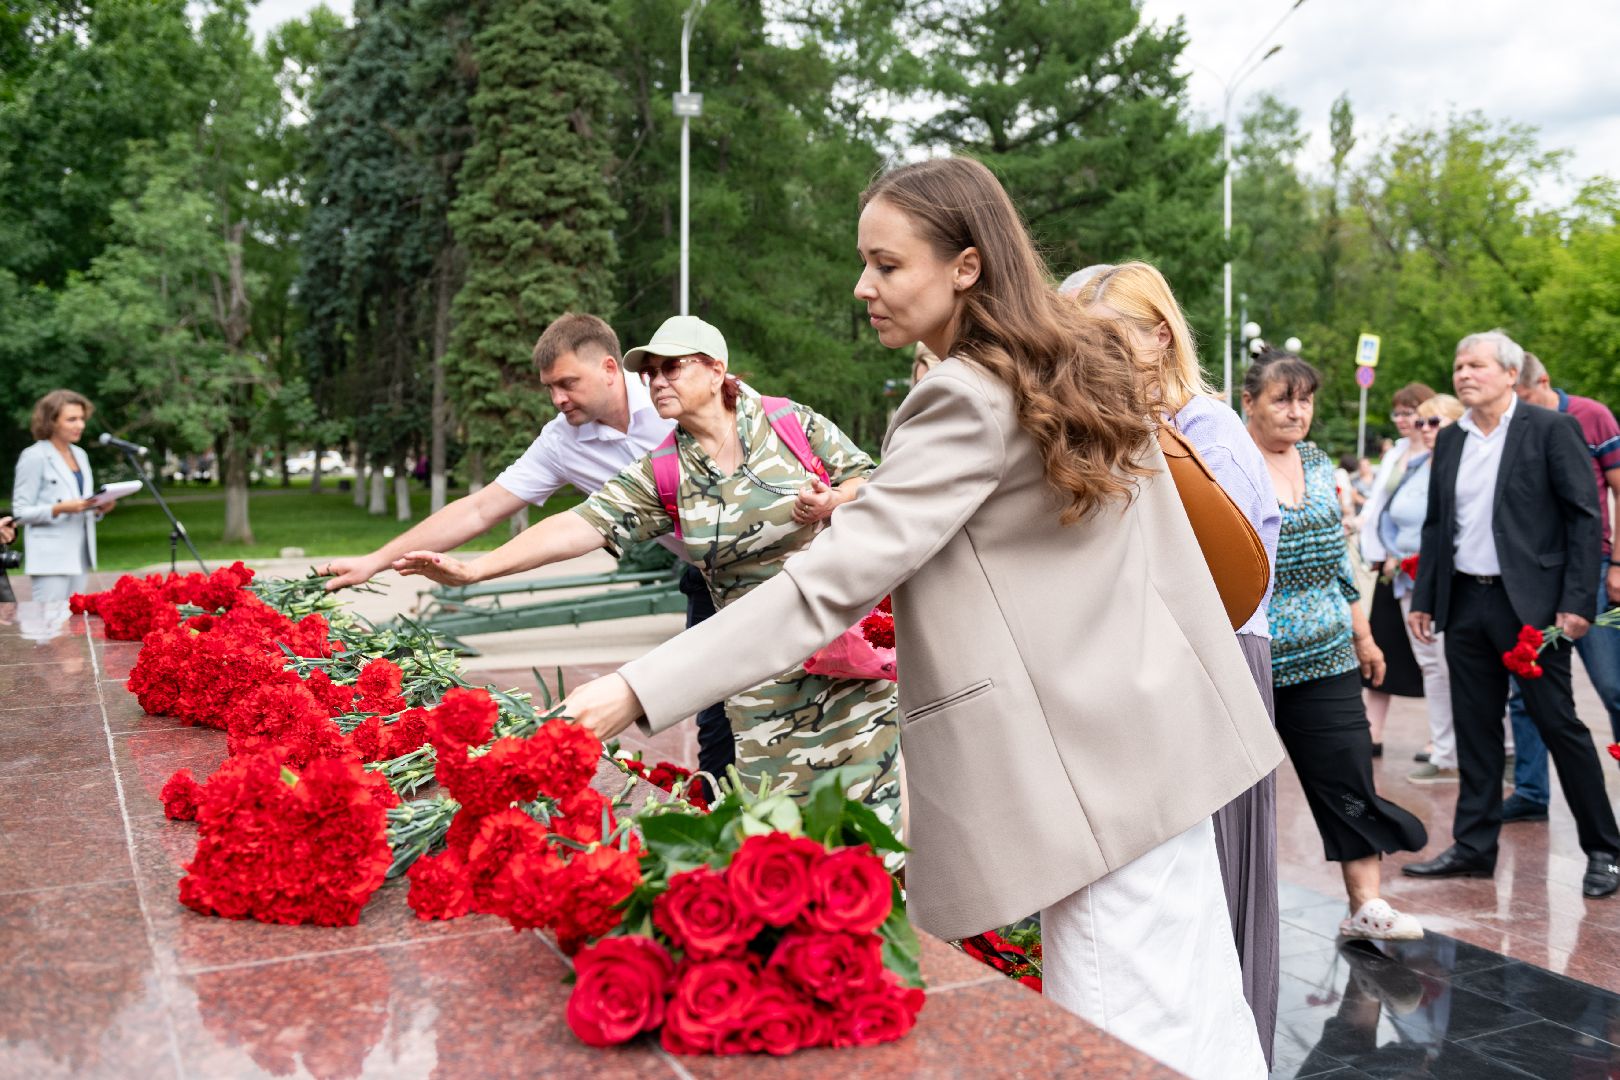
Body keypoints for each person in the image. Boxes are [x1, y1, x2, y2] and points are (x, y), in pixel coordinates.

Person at [559, 157, 1279, 1079]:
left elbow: (826, 588)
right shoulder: (1077, 365)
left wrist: (631, 690)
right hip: (1159, 748)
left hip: (1082, 779)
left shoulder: (964, 396)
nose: (864, 286)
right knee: (1200, 1022)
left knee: (1121, 1042)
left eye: (886, 264)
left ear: (967, 266)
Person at [395, 315, 902, 825]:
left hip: (842, 655)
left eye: (671, 368)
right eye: (650, 373)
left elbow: (875, 483)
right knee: (781, 828)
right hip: (758, 671)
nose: (657, 381)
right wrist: (477, 570)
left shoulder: (789, 422)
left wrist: (832, 500)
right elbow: (580, 524)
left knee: (875, 820)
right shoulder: (664, 470)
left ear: (714, 370)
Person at [321, 314, 739, 785]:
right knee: (718, 724)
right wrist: (375, 561)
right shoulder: (563, 442)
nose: (558, 399)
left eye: (567, 383)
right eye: (550, 388)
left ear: (608, 368)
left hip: (779, 564)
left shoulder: (679, 393)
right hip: (708, 579)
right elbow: (482, 510)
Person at [1062, 260, 1282, 1066]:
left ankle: (1234, 1047)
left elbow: (1208, 571)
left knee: (1221, 874)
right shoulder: (1130, 428)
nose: (1094, 358)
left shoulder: (1210, 433)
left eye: (1110, 339)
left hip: (1219, 655)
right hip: (1168, 659)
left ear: (1160, 336)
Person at [1405, 330, 1620, 897]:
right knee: (1477, 731)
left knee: (1559, 725)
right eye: (1457, 365)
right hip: (1467, 603)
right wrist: (1426, 596)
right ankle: (1474, 848)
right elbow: (1436, 524)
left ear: (1508, 373)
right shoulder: (1449, 440)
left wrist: (1576, 604)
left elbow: (1584, 519)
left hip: (1531, 606)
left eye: (1475, 365)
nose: (1463, 374)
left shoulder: (1550, 429)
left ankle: (1605, 849)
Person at [1244, 350, 1428, 940]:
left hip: (1326, 654)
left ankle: (1366, 906)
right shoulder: (1228, 464)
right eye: (1282, 398)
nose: (1297, 411)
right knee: (1240, 792)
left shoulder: (1320, 464)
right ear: (1249, 403)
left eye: (1305, 399)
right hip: (1251, 655)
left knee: (1348, 776)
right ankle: (1232, 912)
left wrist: (1365, 635)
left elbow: (1336, 561)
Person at [1501, 351, 1620, 821]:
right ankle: (1532, 792)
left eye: (1525, 396)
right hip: (1534, 575)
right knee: (1527, 687)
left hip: (1589, 568)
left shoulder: (1591, 416)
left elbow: (1617, 489)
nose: (1520, 406)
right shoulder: (1513, 424)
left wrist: (1617, 564)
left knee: (1612, 684)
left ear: (1542, 382)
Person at [1379, 394, 1466, 784]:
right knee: (1432, 666)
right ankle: (1444, 751)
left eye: (1435, 423)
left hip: (1448, 579)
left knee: (1457, 665)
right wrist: (1391, 551)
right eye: (1422, 423)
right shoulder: (1416, 465)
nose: (1426, 430)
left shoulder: (1460, 465)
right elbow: (1393, 514)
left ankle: (1486, 751)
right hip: (1408, 577)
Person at [1359, 383, 1436, 757]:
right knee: (1382, 648)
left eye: (1411, 412)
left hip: (1419, 569)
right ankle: (1372, 731)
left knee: (1430, 657)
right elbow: (1378, 505)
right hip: (1390, 567)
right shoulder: (1397, 453)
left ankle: (1439, 737)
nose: (1404, 420)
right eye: (1399, 413)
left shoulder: (1440, 452)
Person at [11, 390, 117, 603]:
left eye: (81, 418)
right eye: (72, 419)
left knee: (73, 624)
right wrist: (59, 508)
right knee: (50, 628)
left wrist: (98, 508)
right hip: (50, 558)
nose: (80, 425)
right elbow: (20, 513)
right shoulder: (34, 456)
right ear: (51, 422)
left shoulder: (80, 454)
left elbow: (81, 501)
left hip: (81, 554)